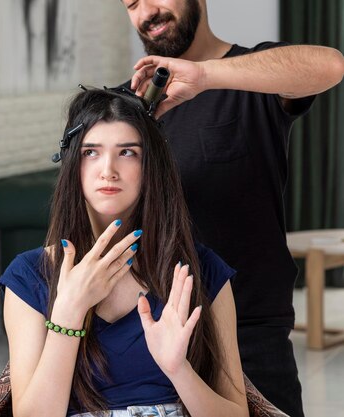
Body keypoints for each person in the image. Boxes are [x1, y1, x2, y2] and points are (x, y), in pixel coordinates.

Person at [118, 1, 344, 416]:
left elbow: (329, 65)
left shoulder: (251, 78)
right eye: (131, 3)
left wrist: (205, 76)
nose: (146, 10)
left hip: (249, 335)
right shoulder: (126, 108)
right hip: (146, 336)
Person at [0, 88, 248, 417]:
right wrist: (68, 313)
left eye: (127, 152)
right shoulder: (29, 275)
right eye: (91, 152)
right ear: (73, 164)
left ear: (150, 167)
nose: (108, 170)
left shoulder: (201, 270)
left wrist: (178, 369)